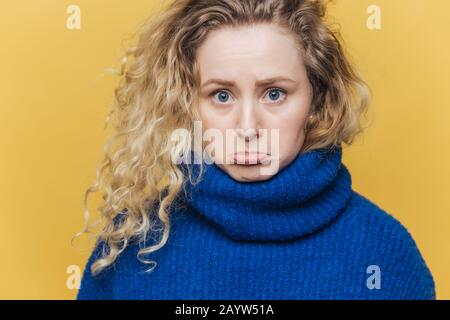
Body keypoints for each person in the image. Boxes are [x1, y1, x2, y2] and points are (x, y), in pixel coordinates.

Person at [76, 0, 435, 299]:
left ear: (316, 99)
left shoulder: (385, 253)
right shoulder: (133, 243)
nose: (247, 129)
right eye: (221, 95)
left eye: (274, 93)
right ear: (187, 103)